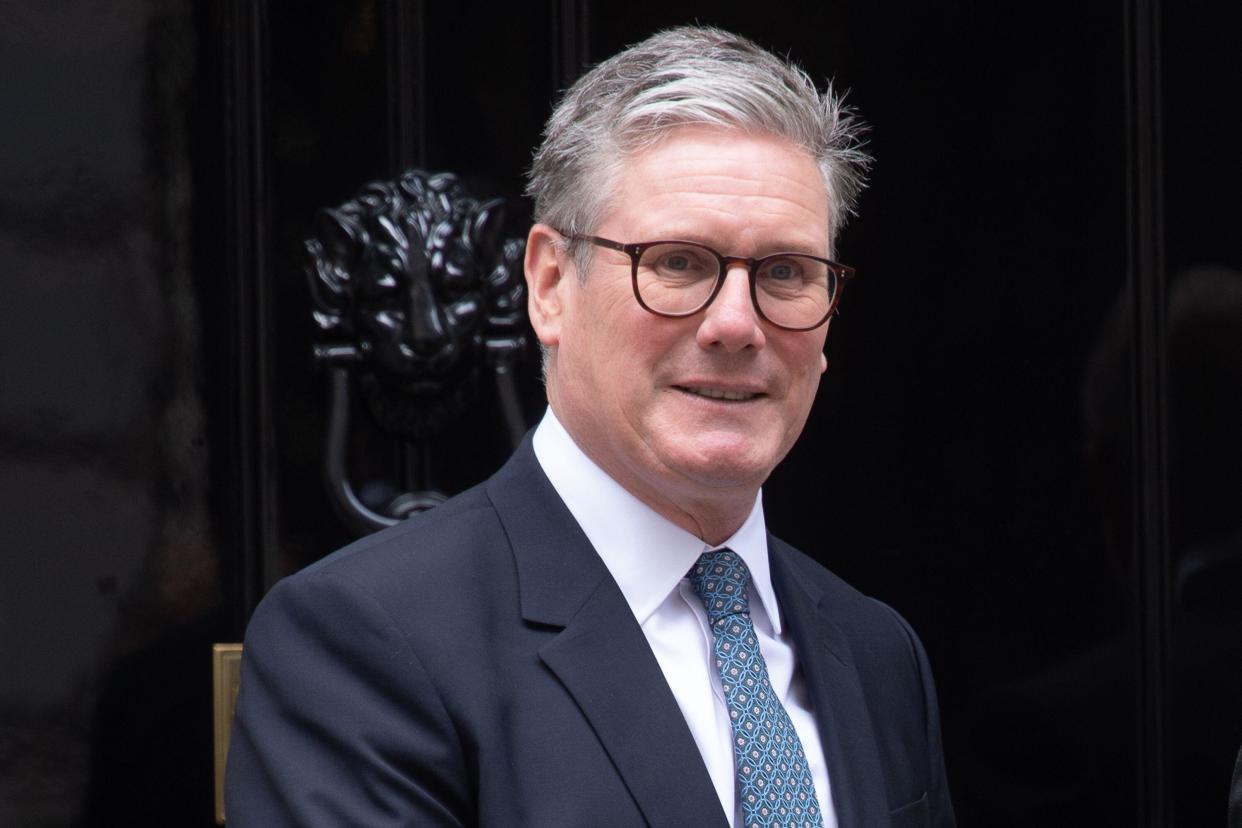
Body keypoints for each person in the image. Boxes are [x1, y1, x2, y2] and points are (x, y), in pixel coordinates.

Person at [226, 25, 954, 827]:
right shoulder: (367, 640)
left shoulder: (875, 652)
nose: (737, 325)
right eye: (677, 263)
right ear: (548, 286)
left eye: (785, 272)